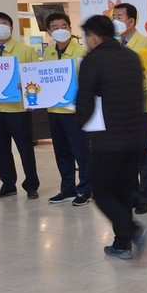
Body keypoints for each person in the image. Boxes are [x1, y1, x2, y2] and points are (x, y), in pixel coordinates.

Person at [76, 15, 147, 260]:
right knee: (123, 192)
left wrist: (79, 124)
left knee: (102, 193)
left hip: (109, 140)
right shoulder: (131, 56)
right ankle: (122, 244)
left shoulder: (92, 61)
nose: (87, 41)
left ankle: (133, 232)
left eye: (87, 36)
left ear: (94, 36)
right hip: (137, 137)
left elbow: (85, 102)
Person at [0, 11, 41, 200]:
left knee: (25, 149)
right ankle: (8, 184)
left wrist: (31, 98)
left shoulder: (25, 50)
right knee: (0, 149)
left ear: (11, 27)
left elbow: (35, 79)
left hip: (19, 110)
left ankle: (31, 185)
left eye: (3, 22)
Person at [42, 12, 91, 206]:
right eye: (55, 27)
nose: (60, 30)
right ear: (49, 32)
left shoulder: (81, 52)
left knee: (81, 152)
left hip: (74, 112)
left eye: (64, 26)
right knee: (61, 151)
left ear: (70, 28)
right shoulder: (47, 53)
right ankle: (68, 188)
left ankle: (86, 189)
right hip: (54, 111)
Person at [113, 2, 147, 215]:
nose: (116, 21)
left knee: (142, 153)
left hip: (142, 107)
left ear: (131, 20)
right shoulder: (114, 45)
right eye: (115, 16)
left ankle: (145, 197)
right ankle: (130, 193)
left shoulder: (145, 44)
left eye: (119, 17)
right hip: (120, 109)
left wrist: (132, 87)